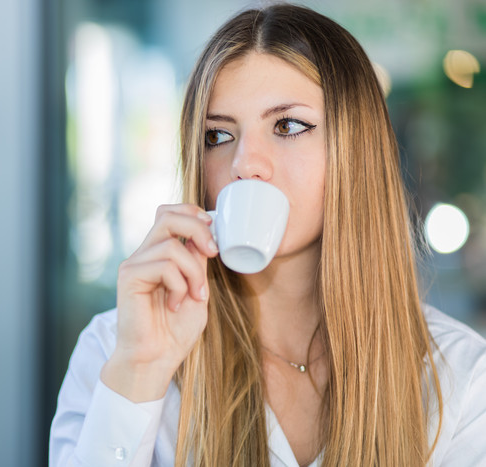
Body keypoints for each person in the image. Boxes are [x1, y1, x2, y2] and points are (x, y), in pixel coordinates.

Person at [49, 4, 486, 466]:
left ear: (355, 152)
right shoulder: (119, 349)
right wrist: (140, 371)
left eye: (288, 126)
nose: (244, 165)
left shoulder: (459, 377)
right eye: (217, 136)